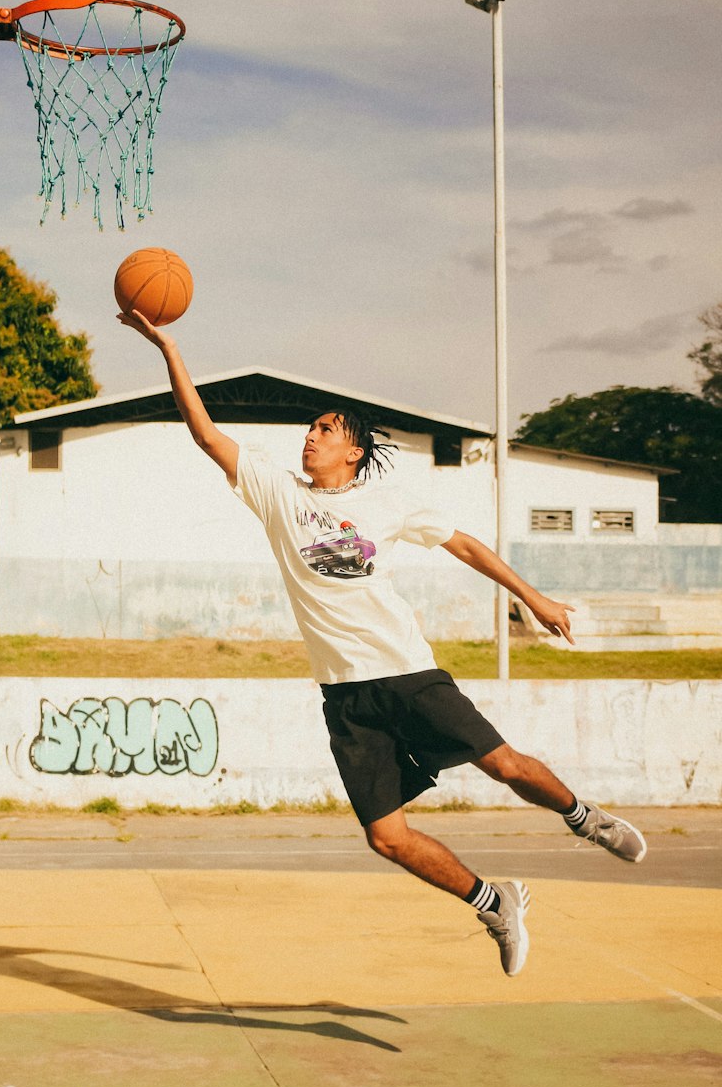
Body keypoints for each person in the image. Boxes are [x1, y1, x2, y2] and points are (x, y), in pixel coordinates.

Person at [119, 308, 647, 977]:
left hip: (406, 674)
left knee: (506, 766)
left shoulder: (389, 501)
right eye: (310, 429)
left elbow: (465, 544)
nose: (309, 438)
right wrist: (167, 346)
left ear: (354, 450)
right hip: (345, 697)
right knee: (385, 837)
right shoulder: (278, 495)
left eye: (325, 430)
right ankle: (493, 901)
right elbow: (204, 433)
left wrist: (532, 597)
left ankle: (584, 818)